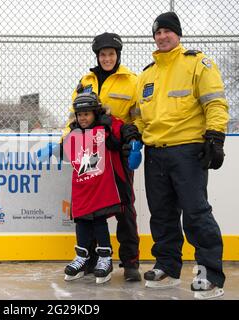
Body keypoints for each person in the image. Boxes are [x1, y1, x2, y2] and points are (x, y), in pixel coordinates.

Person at [132, 11, 229, 299]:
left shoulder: (198, 63)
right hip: (155, 153)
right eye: (157, 33)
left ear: (178, 34)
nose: (162, 37)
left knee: (196, 213)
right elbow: (139, 116)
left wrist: (215, 136)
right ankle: (167, 267)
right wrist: (133, 134)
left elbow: (215, 103)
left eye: (167, 32)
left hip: (188, 151)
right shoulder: (146, 74)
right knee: (161, 215)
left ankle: (209, 273)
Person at [62, 32, 142, 282]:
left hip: (116, 151)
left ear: (118, 55)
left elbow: (139, 117)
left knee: (124, 206)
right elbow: (72, 118)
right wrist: (66, 140)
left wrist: (133, 141)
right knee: (90, 207)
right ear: (97, 56)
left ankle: (130, 262)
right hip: (89, 154)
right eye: (103, 54)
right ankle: (93, 259)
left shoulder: (132, 81)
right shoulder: (85, 80)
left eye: (111, 54)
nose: (107, 58)